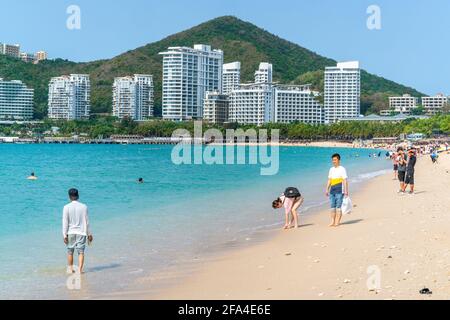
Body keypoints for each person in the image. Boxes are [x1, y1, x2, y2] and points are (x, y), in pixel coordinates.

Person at [62, 188, 93, 274]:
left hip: (70, 232)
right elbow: (87, 222)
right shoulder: (84, 206)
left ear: (69, 197)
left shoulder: (66, 207)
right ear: (78, 196)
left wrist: (64, 235)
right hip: (81, 232)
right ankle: (79, 270)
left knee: (70, 252)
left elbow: (65, 222)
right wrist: (89, 234)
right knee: (81, 252)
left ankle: (71, 269)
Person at [325, 154, 349, 227]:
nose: (333, 161)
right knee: (332, 206)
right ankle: (332, 221)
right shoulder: (331, 169)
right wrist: (327, 189)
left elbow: (345, 180)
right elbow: (329, 180)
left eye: (335, 160)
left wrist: (346, 191)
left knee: (338, 207)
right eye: (333, 160)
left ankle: (337, 222)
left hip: (339, 189)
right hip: (332, 190)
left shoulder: (342, 169)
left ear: (339, 160)